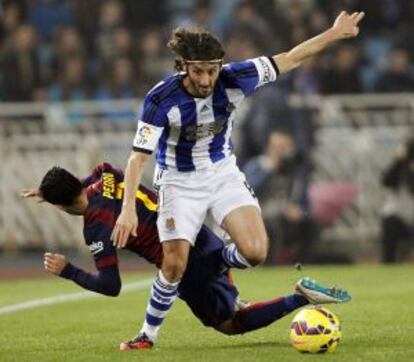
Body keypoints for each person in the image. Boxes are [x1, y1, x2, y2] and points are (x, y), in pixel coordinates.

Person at [111, 11, 364, 347]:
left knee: (256, 252)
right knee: (173, 265)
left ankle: (211, 264)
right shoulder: (160, 99)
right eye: (198, 70)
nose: (205, 79)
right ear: (182, 66)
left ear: (220, 66)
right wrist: (128, 207)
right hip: (177, 181)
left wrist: (333, 34)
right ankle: (147, 335)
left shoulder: (236, 77)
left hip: (222, 172)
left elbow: (289, 58)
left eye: (212, 70)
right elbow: (137, 158)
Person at [22, 162, 351, 350]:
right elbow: (100, 174)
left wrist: (68, 272)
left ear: (61, 205)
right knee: (229, 291)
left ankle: (298, 298)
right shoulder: (103, 177)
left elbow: (111, 285)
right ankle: (230, 256)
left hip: (181, 264)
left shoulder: (96, 228)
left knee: (228, 324)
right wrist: (52, 190)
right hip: (195, 230)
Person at [243, 130, 315, 264]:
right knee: (271, 226)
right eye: (277, 148)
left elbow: (303, 201)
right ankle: (268, 266)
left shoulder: (295, 170)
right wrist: (270, 169)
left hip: (284, 216)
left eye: (285, 147)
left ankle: (301, 264)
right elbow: (249, 190)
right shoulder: (258, 165)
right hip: (261, 216)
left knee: (311, 224)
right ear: (268, 148)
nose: (282, 152)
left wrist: (300, 211)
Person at [381, 136, 414, 263]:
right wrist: (399, 160)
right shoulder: (399, 168)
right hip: (399, 217)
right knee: (389, 222)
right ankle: (388, 262)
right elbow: (387, 181)